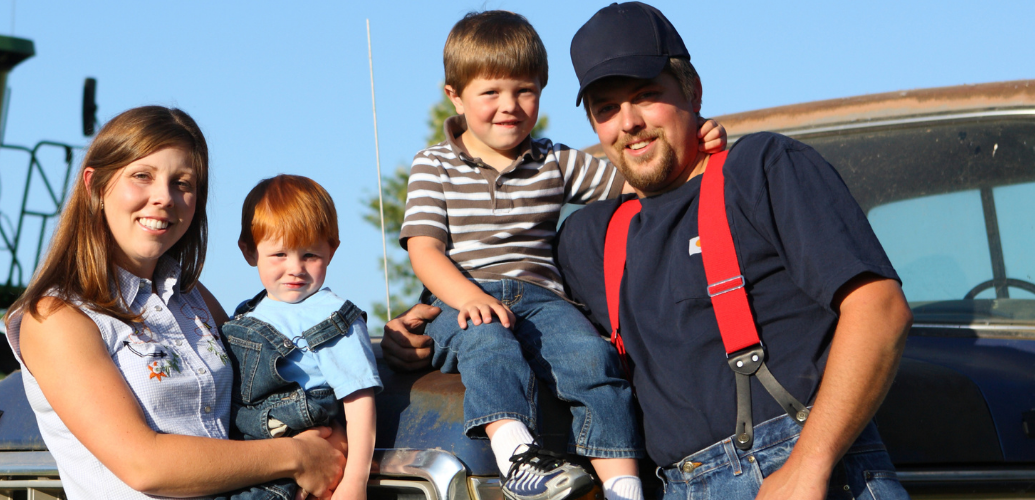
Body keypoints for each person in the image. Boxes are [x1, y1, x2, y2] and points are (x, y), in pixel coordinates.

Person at [387, 3, 914, 499]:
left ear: (693, 91)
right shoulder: (589, 237)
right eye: (606, 108)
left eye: (646, 95)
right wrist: (423, 328)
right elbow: (525, 319)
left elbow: (879, 309)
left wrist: (808, 466)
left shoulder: (760, 168)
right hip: (668, 484)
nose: (629, 121)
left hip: (792, 471)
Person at [398, 10, 723, 500]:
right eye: (490, 92)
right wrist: (466, 296)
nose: (509, 106)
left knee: (591, 356)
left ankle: (624, 487)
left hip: (542, 298)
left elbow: (638, 177)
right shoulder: (434, 164)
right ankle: (519, 459)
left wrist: (699, 146)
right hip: (459, 297)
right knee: (487, 341)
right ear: (455, 96)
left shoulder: (554, 160)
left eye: (524, 90)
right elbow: (424, 249)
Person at [5, 106, 346, 499]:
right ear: (95, 185)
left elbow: (272, 370)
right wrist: (296, 456)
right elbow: (142, 463)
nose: (164, 198)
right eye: (142, 176)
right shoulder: (58, 319)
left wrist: (384, 344)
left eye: (182, 183)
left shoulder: (194, 299)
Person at [223, 175, 383, 500]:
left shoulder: (332, 317)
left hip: (293, 465)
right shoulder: (247, 313)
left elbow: (360, 401)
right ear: (249, 251)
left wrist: (355, 481)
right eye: (279, 254)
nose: (295, 268)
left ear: (332, 249)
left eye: (310, 255)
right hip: (243, 455)